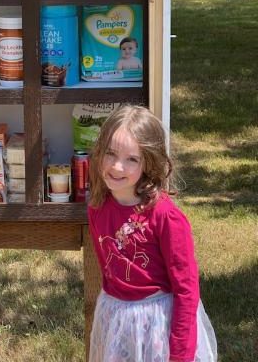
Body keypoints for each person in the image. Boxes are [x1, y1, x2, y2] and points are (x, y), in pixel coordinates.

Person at [87, 105, 217, 362]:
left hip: (158, 327)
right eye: (110, 153)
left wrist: (180, 355)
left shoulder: (165, 217)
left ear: (149, 162)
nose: (117, 166)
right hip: (116, 321)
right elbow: (109, 271)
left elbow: (187, 291)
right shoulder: (98, 208)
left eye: (131, 159)